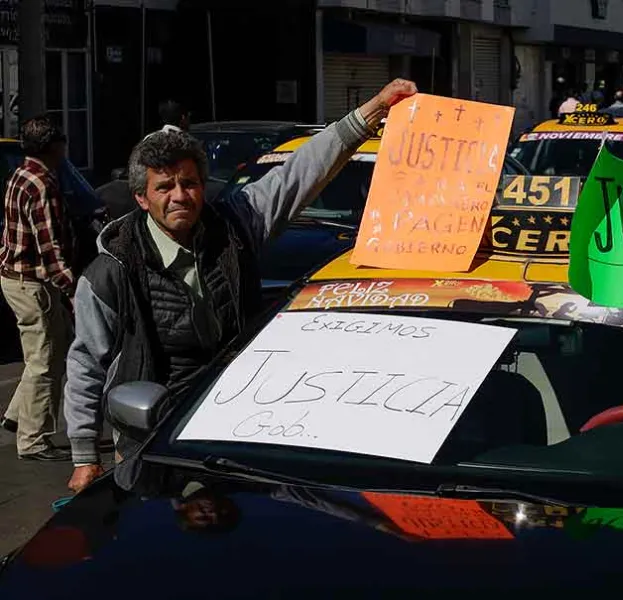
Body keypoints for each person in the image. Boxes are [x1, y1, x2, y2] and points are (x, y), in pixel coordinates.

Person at [63, 78, 419, 493]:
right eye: (164, 187)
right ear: (142, 198)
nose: (180, 196)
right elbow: (87, 362)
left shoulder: (234, 226)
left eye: (190, 183)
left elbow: (300, 173)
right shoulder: (111, 271)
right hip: (153, 444)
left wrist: (372, 111)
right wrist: (85, 456)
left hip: (237, 430)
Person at [0, 116, 75, 461]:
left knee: (42, 352)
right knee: (46, 359)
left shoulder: (20, 173)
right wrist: (72, 288)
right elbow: (50, 249)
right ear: (52, 147)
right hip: (32, 281)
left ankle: (17, 416)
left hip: (13, 275)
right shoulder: (43, 183)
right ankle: (34, 439)